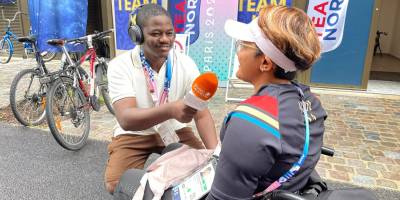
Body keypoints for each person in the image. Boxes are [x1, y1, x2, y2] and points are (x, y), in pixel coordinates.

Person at [206, 5, 327, 199]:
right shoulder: (311, 101)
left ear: (265, 63)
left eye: (242, 45)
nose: (237, 53)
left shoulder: (250, 120)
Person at [104, 4, 218, 194]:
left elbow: (201, 114)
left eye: (169, 33)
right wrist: (171, 109)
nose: (165, 39)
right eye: (156, 33)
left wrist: (215, 153)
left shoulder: (186, 64)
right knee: (115, 184)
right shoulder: (119, 66)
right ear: (137, 35)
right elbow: (125, 119)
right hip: (135, 134)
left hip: (175, 130)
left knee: (203, 171)